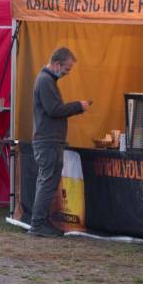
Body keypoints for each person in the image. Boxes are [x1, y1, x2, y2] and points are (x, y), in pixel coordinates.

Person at [29, 47, 90, 237]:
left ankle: (40, 222)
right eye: (67, 68)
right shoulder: (46, 80)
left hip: (49, 141)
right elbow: (54, 110)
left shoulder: (46, 80)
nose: (67, 72)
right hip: (48, 142)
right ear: (57, 64)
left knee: (46, 183)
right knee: (47, 183)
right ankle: (38, 225)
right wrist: (78, 106)